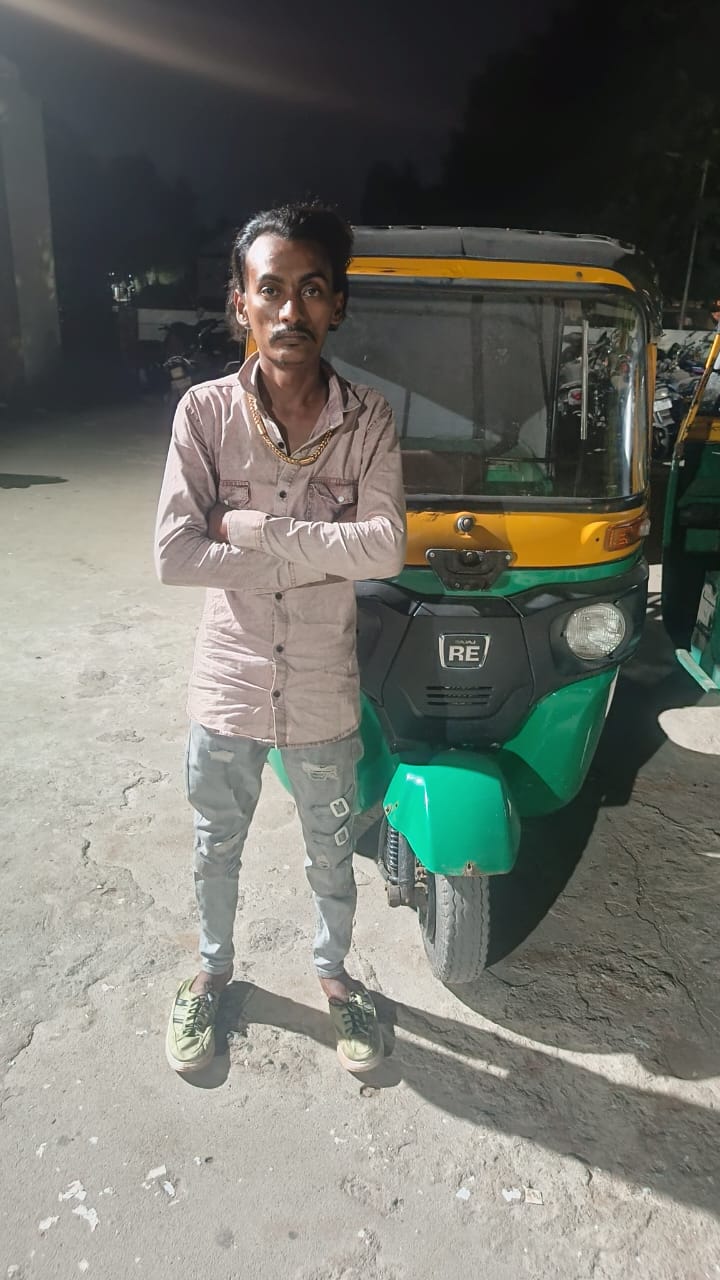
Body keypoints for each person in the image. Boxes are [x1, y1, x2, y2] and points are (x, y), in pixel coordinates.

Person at [154, 203, 406, 1076]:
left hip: (323, 689)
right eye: (271, 290)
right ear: (242, 305)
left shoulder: (368, 419)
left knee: (332, 849)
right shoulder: (204, 415)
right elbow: (176, 555)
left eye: (311, 290)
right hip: (229, 680)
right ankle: (211, 974)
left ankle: (335, 977)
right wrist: (323, 555)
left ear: (338, 303)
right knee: (214, 842)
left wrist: (253, 529)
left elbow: (386, 548)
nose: (290, 311)